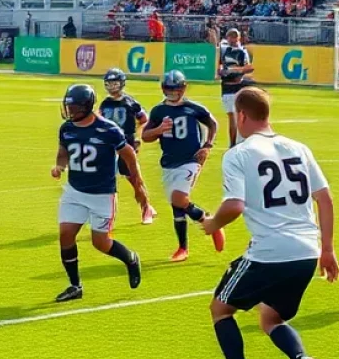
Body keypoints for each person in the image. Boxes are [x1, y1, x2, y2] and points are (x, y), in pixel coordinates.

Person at [200, 87, 337, 359]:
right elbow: (325, 199)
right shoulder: (298, 148)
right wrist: (328, 250)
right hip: (307, 251)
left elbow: (234, 206)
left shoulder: (238, 154)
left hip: (269, 252)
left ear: (242, 116)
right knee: (270, 317)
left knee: (220, 310)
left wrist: (213, 223)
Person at [52, 83, 144, 303]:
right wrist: (59, 167)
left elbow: (129, 155)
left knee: (100, 242)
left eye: (74, 106)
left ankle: (130, 259)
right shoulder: (67, 128)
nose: (70, 110)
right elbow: (63, 151)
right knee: (65, 235)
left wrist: (138, 184)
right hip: (75, 190)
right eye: (68, 106)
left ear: (86, 106)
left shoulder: (108, 129)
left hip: (102, 194)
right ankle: (75, 286)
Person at [141, 69, 223, 262]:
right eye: (168, 89)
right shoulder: (159, 111)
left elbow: (212, 123)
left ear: (183, 88)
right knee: (177, 205)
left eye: (175, 89)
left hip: (191, 160)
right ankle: (183, 247)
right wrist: (159, 130)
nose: (172, 92)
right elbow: (145, 136)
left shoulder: (193, 108)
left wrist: (208, 145)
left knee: (179, 197)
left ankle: (210, 224)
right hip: (169, 162)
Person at [98, 67, 157, 224]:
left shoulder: (130, 103)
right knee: (104, 179)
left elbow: (145, 120)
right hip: (109, 146)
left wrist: (138, 136)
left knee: (134, 179)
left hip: (126, 145)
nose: (111, 87)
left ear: (122, 83)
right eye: (109, 83)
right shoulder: (104, 104)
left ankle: (146, 209)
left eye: (114, 83)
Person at [217, 28, 254, 147]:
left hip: (237, 86)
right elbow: (219, 67)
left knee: (237, 116)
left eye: (234, 37)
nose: (232, 40)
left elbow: (249, 68)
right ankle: (234, 143)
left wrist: (233, 70)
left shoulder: (242, 52)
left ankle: (237, 143)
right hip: (227, 86)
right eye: (230, 37)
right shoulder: (223, 50)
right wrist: (221, 71)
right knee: (233, 117)